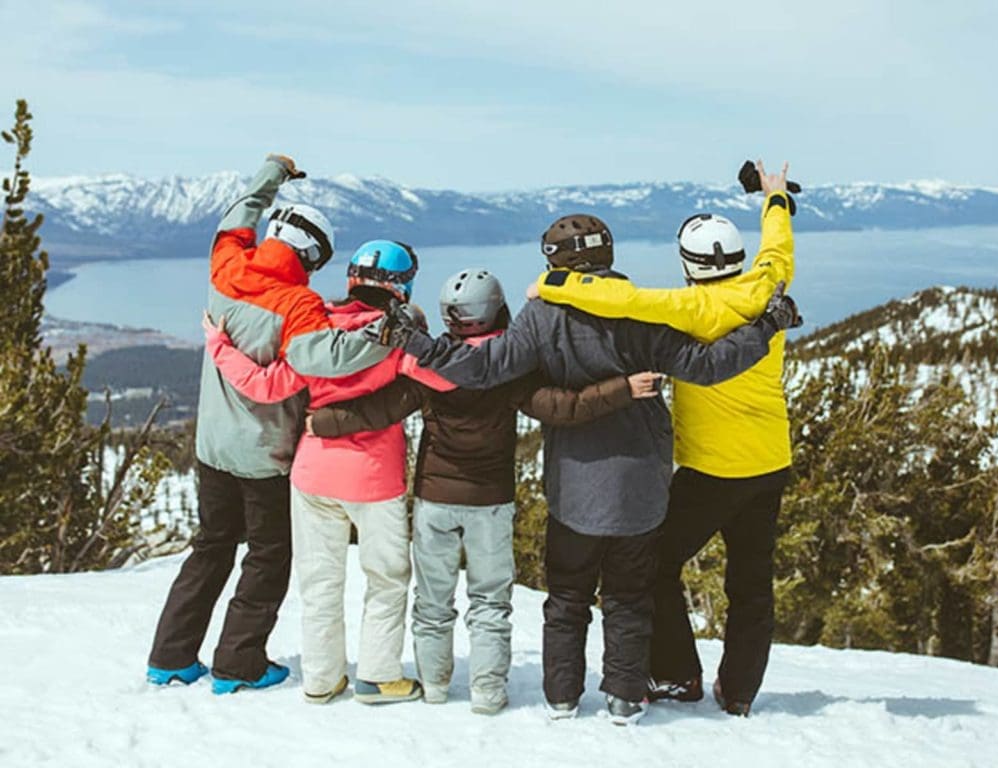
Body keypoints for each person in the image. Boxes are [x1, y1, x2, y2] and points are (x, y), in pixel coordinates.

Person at [368, 218, 801, 725]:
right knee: (629, 598)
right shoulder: (640, 310)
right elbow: (708, 366)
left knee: (567, 598)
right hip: (640, 484)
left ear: (554, 262)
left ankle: (561, 696)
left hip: (574, 483)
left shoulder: (541, 316)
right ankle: (623, 698)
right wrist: (767, 326)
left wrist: (415, 342)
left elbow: (483, 369)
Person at [306, 268, 662, 716]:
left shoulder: (427, 365)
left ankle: (435, 685)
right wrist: (621, 389)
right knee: (490, 601)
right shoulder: (510, 369)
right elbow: (563, 408)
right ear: (497, 310)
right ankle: (488, 692)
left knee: (433, 600)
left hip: (435, 499)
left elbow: (379, 409)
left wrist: (322, 422)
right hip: (490, 501)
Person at [532, 161, 797, 715]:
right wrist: (774, 199)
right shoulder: (770, 285)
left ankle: (677, 674)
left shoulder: (690, 308)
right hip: (770, 463)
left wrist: (554, 281)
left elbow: (620, 300)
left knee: (653, 566)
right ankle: (740, 691)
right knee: (751, 582)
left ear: (687, 263)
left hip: (709, 473)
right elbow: (778, 246)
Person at [146, 154, 392, 695]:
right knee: (268, 554)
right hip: (264, 454)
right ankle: (239, 662)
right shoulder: (298, 303)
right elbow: (317, 359)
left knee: (211, 545)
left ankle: (170, 657)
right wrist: (381, 337)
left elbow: (235, 216)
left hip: (211, 445)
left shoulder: (225, 267)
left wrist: (271, 174)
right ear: (310, 254)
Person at [202, 240, 453, 705]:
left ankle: (321, 679)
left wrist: (219, 345)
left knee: (320, 581)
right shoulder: (396, 339)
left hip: (312, 474)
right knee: (386, 578)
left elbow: (265, 384)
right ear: (404, 286)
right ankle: (377, 677)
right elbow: (450, 376)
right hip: (374, 479)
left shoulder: (316, 331)